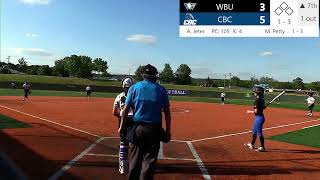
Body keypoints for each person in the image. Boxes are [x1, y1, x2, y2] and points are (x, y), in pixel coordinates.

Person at [118, 64, 171, 180]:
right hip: (154, 130)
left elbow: (125, 110)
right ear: (155, 76)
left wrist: (121, 126)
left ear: (143, 75)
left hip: (138, 129)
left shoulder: (134, 87)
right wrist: (168, 131)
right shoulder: (161, 90)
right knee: (149, 161)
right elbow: (167, 113)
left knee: (135, 158)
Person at [112, 76, 134, 174]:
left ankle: (123, 167)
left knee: (123, 143)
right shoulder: (135, 95)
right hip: (134, 120)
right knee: (135, 144)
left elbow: (114, 112)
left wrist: (121, 117)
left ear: (123, 85)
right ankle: (135, 165)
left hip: (123, 121)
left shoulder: (119, 96)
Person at [244, 86, 266, 152]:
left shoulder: (257, 100)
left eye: (254, 92)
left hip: (259, 118)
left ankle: (262, 147)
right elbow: (262, 107)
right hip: (259, 118)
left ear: (257, 92)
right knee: (254, 131)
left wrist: (249, 111)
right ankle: (252, 144)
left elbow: (256, 111)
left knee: (259, 133)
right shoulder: (262, 99)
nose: (254, 93)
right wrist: (262, 107)